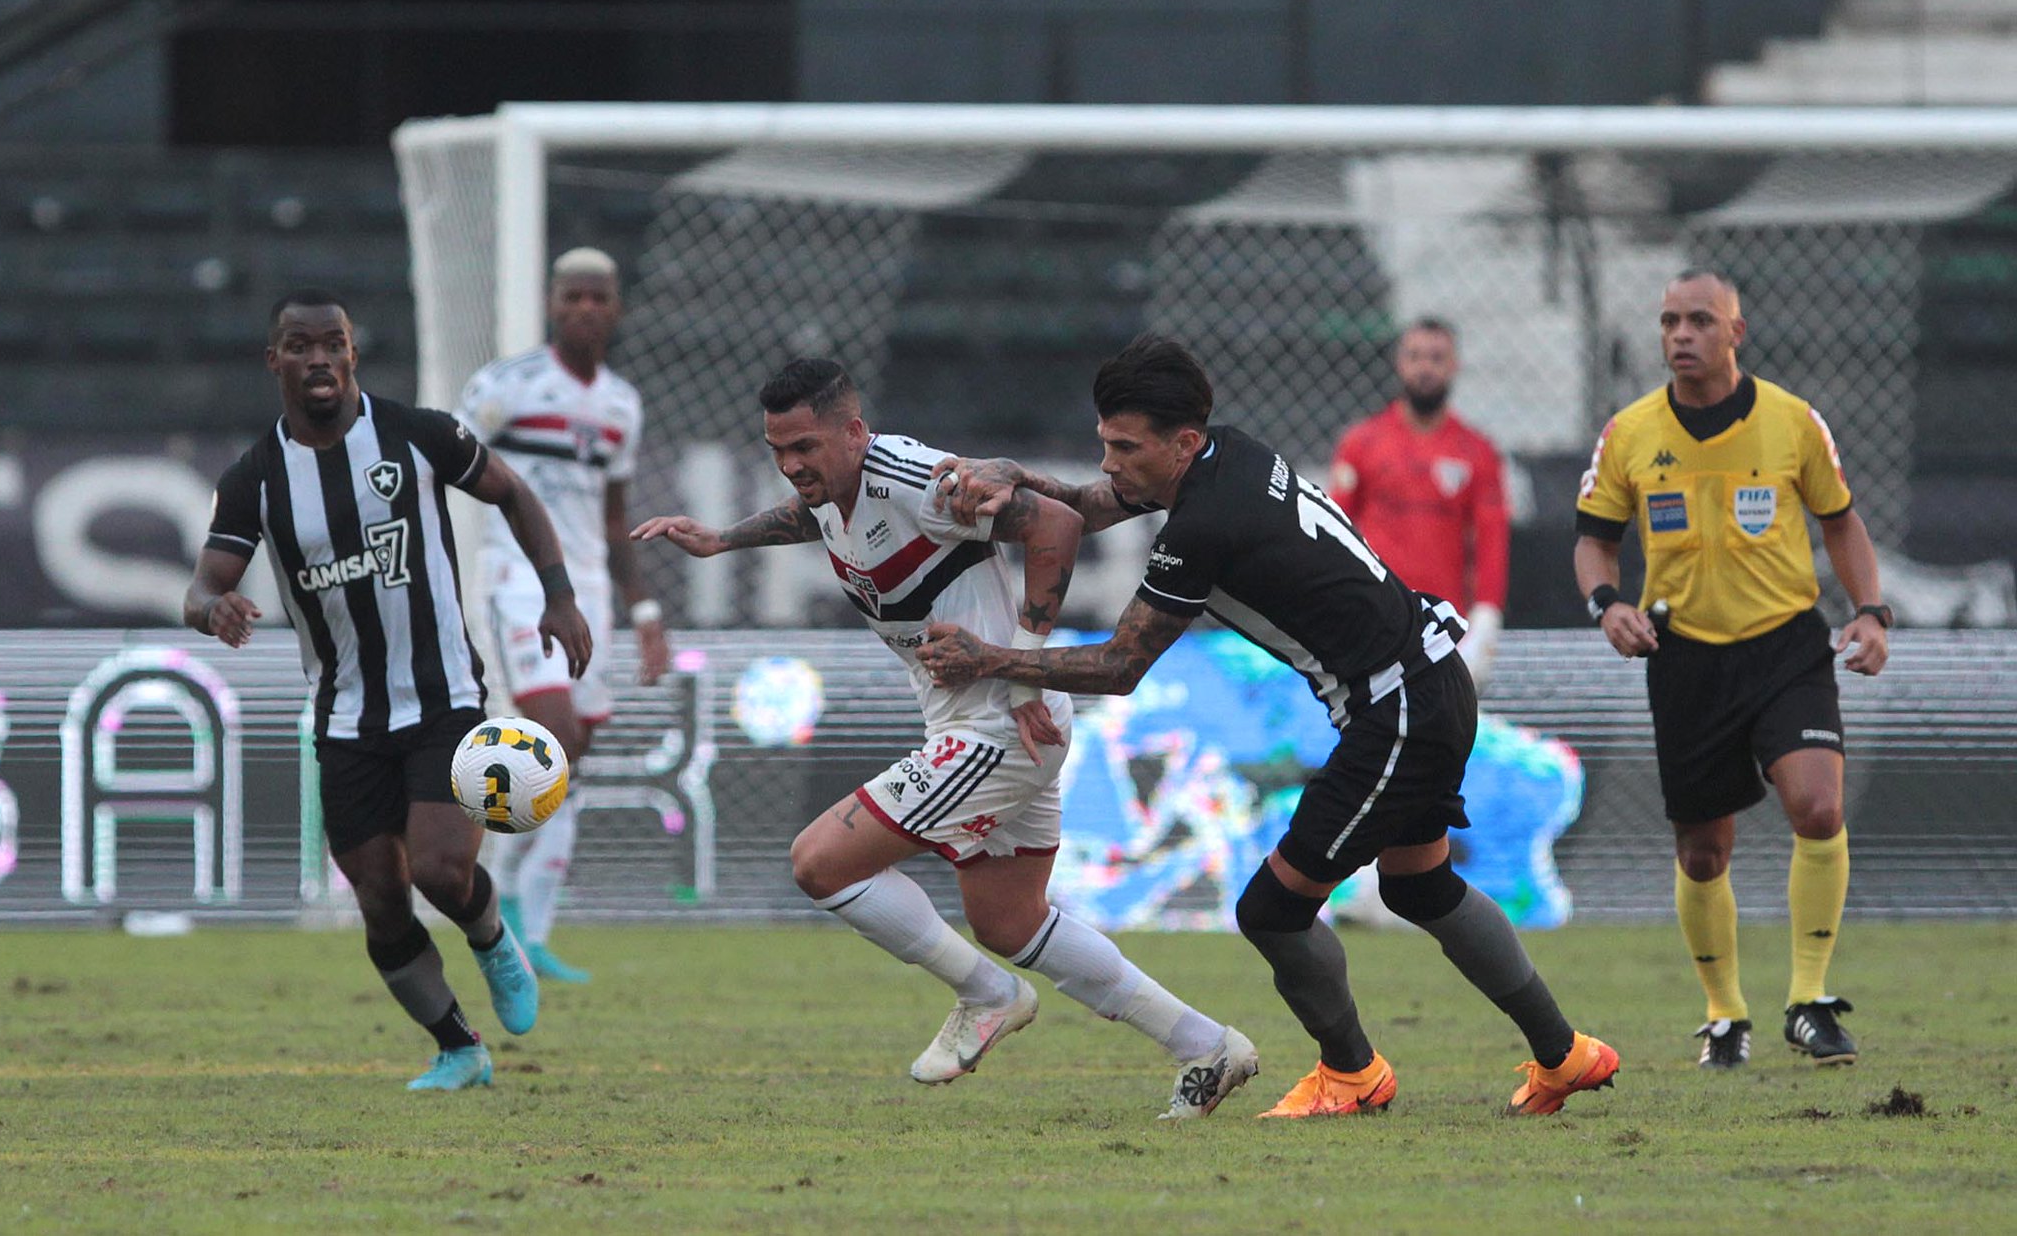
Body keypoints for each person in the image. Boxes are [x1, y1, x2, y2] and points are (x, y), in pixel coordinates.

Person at [918, 335, 1619, 1118]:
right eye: (1103, 443)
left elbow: (1119, 667)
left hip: (1398, 710)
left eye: (1124, 446)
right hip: (1424, 687)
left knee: (1272, 910)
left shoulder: (1203, 524)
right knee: (1422, 886)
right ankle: (1567, 1056)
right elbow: (1087, 504)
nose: (1110, 462)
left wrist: (990, 658)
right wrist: (1017, 476)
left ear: (1181, 443)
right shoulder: (1225, 458)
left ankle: (1354, 1073)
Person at [632, 358, 1259, 1120]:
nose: (793, 465)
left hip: (1002, 720)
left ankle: (988, 995)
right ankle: (1206, 1046)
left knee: (818, 864)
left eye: (806, 447)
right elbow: (817, 516)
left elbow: (1057, 524)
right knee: (1010, 921)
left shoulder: (915, 478)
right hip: (984, 721)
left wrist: (1025, 671)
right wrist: (723, 539)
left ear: (855, 431)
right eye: (778, 451)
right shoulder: (834, 488)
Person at [185, 289, 593, 1091]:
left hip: (443, 698)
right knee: (380, 899)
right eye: (299, 346)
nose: (318, 359)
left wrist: (559, 593)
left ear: (352, 353)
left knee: (441, 871)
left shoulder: (415, 432)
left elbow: (511, 491)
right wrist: (214, 609)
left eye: (332, 343)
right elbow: (199, 588)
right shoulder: (254, 480)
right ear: (276, 361)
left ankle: (492, 939)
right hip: (346, 718)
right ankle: (458, 1047)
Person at [1575, 269, 1889, 1071]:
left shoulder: (1791, 423)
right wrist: (1608, 604)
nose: (1682, 335)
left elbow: (1841, 524)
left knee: (1818, 807)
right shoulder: (1631, 434)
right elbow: (1594, 540)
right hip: (1684, 658)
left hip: (1785, 645)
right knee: (1703, 853)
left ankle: (1810, 1000)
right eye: (1670, 322)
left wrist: (1871, 611)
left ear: (1735, 334)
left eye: (1701, 322)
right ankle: (1725, 1015)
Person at [459, 248, 670, 984]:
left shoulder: (622, 405)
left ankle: (525, 925)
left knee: (569, 764)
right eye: (572, 295)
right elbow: (440, 462)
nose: (584, 308)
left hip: (589, 593)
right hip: (519, 580)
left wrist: (643, 609)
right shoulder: (505, 388)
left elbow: (616, 519)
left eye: (597, 297)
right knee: (557, 736)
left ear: (615, 308)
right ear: (553, 303)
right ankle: (492, 898)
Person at [1329, 317, 1509, 689]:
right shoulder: (1361, 443)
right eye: (1415, 356)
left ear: (1454, 364)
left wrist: (1487, 619)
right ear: (1399, 362)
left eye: (1436, 357)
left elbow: (1492, 539)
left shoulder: (1479, 452)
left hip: (1443, 626)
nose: (1425, 367)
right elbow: (1334, 530)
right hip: (1372, 618)